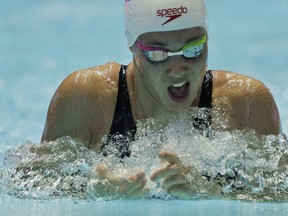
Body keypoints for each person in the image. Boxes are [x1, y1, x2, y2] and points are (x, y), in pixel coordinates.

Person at [41, 0, 281, 199]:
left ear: (206, 40)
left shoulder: (247, 104)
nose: (177, 69)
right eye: (158, 54)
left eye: (192, 50)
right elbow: (28, 182)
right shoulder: (86, 99)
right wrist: (92, 190)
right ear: (133, 47)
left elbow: (281, 192)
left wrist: (212, 190)